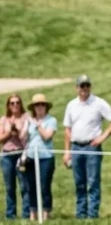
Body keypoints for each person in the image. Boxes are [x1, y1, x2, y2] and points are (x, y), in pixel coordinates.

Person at [62, 75, 111, 220]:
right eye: (82, 86)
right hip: (76, 147)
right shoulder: (71, 105)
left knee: (93, 181)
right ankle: (81, 214)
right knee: (79, 182)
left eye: (87, 85)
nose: (84, 89)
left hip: (92, 147)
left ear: (90, 87)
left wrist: (102, 137)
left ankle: (92, 214)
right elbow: (67, 129)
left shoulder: (98, 103)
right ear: (77, 88)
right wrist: (66, 151)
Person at [21, 94, 57, 222]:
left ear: (46, 107)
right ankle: (33, 212)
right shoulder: (30, 121)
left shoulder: (51, 120)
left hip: (46, 157)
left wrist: (37, 125)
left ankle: (46, 212)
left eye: (42, 105)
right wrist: (26, 127)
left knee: (44, 186)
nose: (40, 107)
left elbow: (47, 137)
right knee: (30, 186)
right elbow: (23, 137)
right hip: (30, 157)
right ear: (33, 108)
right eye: (37, 105)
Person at [1, 94, 30, 219]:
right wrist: (9, 133)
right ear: (8, 105)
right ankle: (10, 214)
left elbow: (26, 136)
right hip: (7, 155)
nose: (15, 105)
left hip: (21, 154)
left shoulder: (26, 117)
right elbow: (1, 139)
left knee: (24, 185)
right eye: (12, 103)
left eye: (17, 102)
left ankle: (26, 213)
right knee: (9, 186)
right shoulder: (3, 119)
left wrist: (18, 132)